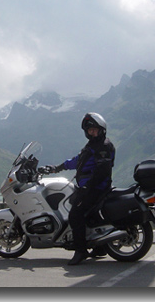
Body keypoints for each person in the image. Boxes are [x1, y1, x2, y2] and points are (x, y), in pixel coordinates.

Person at [48, 112, 115, 265]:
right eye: (89, 130)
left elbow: (102, 171)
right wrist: (57, 168)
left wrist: (87, 187)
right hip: (91, 187)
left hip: (96, 188)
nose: (92, 133)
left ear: (101, 129)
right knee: (89, 214)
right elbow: (78, 161)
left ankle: (81, 251)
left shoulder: (103, 146)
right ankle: (100, 247)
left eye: (94, 130)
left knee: (75, 215)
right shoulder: (92, 145)